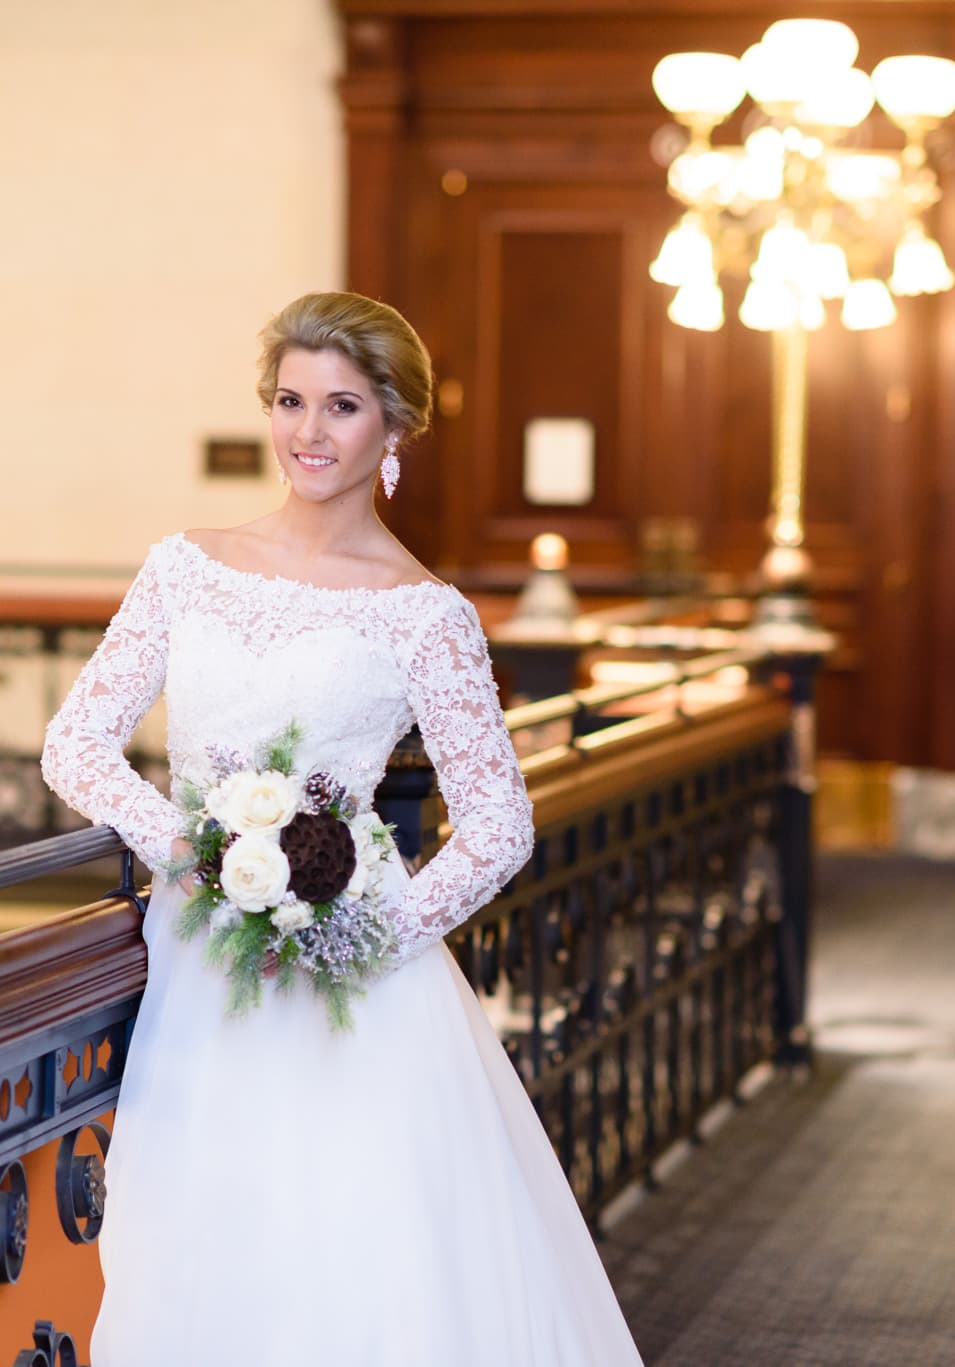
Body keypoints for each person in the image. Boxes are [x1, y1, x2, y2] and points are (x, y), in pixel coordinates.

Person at [39, 291, 644, 1366]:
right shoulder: (183, 566)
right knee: (201, 1242)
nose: (307, 432)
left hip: (357, 979)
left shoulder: (424, 612)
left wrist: (356, 941)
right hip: (200, 961)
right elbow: (76, 742)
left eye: (342, 406)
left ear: (393, 428)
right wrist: (183, 847)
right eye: (289, 400)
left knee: (354, 1259)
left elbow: (499, 824)